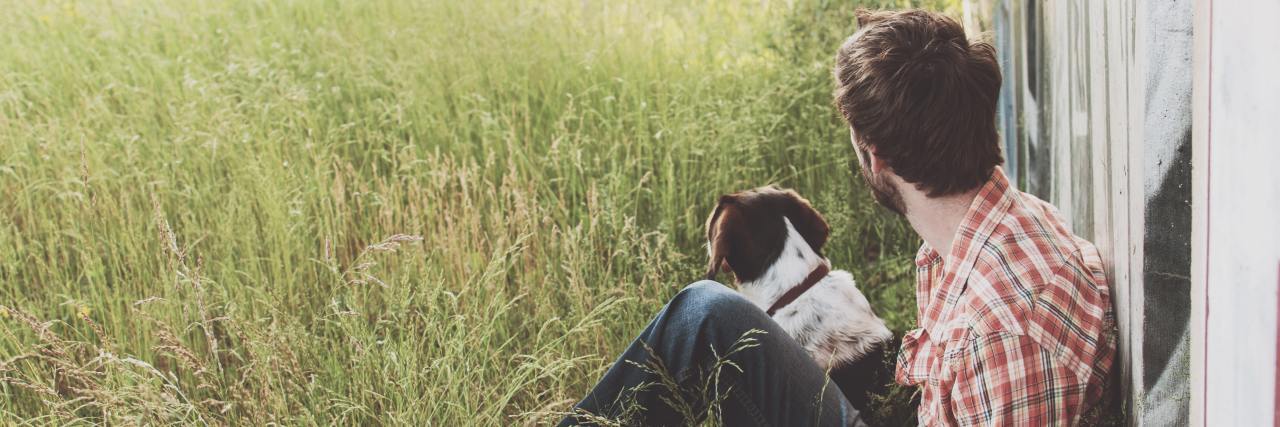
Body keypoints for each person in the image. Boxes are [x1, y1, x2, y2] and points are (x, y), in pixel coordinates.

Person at [560, 9, 1115, 426]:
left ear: (874, 157)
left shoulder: (998, 332)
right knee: (705, 313)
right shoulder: (997, 225)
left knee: (702, 316)